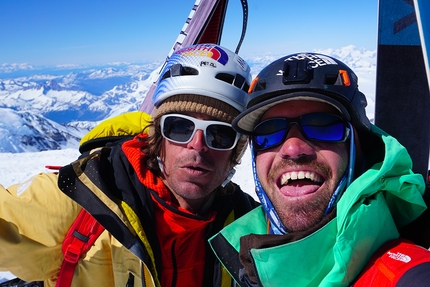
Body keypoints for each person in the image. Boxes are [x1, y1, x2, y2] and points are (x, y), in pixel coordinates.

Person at [0, 43, 259, 287]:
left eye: (220, 134)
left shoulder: (251, 227)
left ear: (235, 151)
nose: (198, 145)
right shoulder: (80, 197)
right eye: (179, 127)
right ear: (158, 137)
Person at [209, 52, 428, 286]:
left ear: (358, 148)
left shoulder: (406, 276)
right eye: (269, 131)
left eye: (323, 126)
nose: (293, 148)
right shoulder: (244, 262)